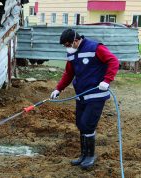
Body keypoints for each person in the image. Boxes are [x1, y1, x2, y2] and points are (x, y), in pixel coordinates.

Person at [50, 29, 119, 169]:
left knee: (87, 124)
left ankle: (90, 156)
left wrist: (107, 80)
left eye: (68, 44)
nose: (67, 47)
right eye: (64, 45)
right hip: (81, 95)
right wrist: (58, 89)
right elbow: (69, 73)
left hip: (96, 94)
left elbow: (114, 61)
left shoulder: (95, 48)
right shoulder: (71, 54)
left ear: (76, 40)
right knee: (81, 124)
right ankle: (83, 155)